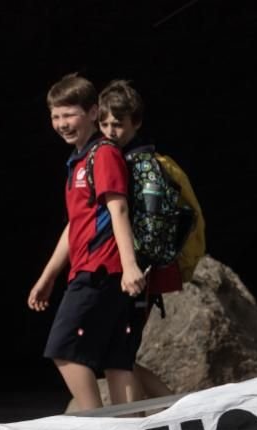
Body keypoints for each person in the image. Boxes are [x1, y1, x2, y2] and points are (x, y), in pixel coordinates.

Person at [28, 73, 146, 411]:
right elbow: (76, 225)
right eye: (56, 115)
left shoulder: (103, 153)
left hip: (101, 271)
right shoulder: (78, 160)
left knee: (62, 348)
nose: (62, 123)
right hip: (94, 270)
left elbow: (118, 207)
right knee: (116, 360)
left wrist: (129, 266)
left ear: (93, 113)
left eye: (70, 114)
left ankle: (97, 427)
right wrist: (48, 276)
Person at [97, 79, 196, 400]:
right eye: (105, 123)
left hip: (137, 276)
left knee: (118, 354)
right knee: (119, 355)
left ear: (136, 123)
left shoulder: (141, 167)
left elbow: (151, 231)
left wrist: (134, 266)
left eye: (119, 124)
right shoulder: (122, 160)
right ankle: (167, 413)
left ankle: (167, 413)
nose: (111, 131)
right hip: (132, 275)